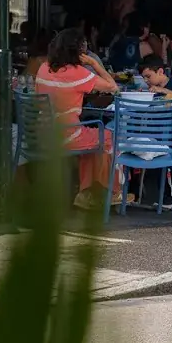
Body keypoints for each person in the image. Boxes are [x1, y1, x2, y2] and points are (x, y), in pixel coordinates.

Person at [36, 28, 129, 210]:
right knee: (110, 137)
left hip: (42, 134)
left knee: (93, 143)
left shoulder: (43, 68)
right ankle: (113, 191)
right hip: (66, 136)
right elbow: (113, 87)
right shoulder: (78, 73)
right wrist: (94, 63)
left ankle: (86, 194)